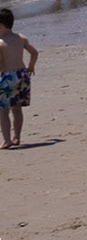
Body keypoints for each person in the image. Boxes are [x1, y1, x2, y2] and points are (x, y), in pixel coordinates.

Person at [0, 8, 38, 149]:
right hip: (22, 75)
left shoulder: (0, 42)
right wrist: (31, 66)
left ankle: (7, 140)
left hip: (7, 77)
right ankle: (17, 137)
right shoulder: (21, 38)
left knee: (3, 111)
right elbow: (34, 52)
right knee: (17, 109)